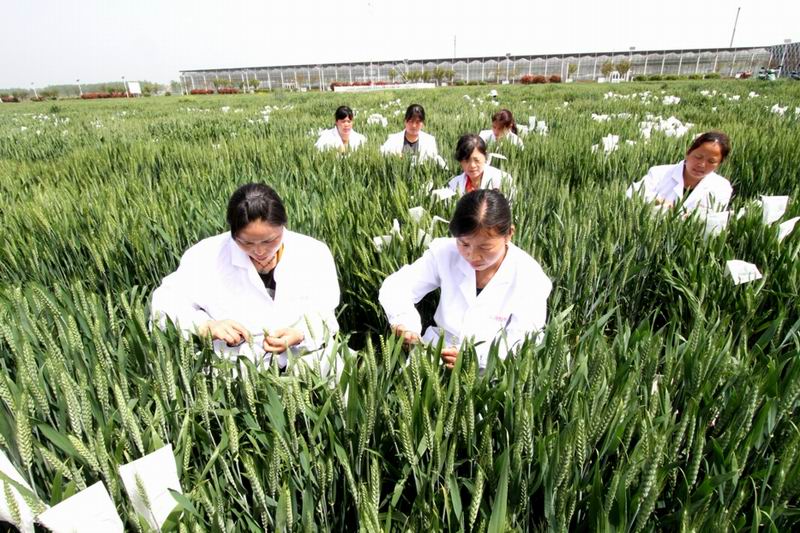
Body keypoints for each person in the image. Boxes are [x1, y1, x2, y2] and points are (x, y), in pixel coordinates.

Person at [151, 183, 340, 369]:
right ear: (233, 232)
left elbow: (326, 314)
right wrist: (206, 326)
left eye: (269, 241)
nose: (259, 251)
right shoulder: (205, 255)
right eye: (247, 243)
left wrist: (301, 334)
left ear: (283, 225)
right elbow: (165, 306)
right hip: (236, 369)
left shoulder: (313, 253)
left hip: (308, 361)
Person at [379, 189, 552, 369]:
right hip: (438, 350)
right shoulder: (445, 253)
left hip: (493, 366)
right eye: (464, 243)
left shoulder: (529, 275)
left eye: (485, 247)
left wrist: (476, 357)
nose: (473, 256)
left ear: (509, 234)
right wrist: (405, 323)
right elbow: (397, 287)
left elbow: (523, 337)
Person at [626, 131, 733, 212]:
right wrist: (659, 201)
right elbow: (632, 193)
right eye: (698, 157)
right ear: (688, 152)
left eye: (711, 161)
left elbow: (716, 219)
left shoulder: (721, 186)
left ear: (719, 163)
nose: (702, 164)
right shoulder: (659, 173)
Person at [448, 134, 514, 196]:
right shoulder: (454, 184)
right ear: (460, 161)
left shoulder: (502, 179)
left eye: (476, 160)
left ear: (485, 156)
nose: (472, 165)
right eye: (466, 161)